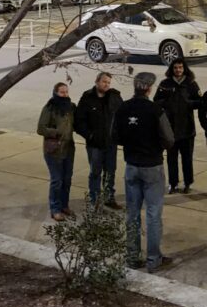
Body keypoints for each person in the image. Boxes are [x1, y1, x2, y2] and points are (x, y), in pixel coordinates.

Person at [113, 71, 175, 272]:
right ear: (149, 88)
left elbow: (115, 136)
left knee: (132, 212)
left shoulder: (123, 108)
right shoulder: (155, 110)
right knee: (153, 213)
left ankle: (132, 256)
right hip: (152, 166)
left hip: (132, 165)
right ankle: (153, 258)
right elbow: (169, 139)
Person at [74, 71, 124, 209]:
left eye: (108, 82)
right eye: (104, 82)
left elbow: (122, 116)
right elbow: (79, 121)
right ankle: (94, 200)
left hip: (110, 143)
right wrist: (89, 135)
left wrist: (118, 136)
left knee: (110, 172)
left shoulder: (115, 96)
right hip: (94, 144)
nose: (106, 84)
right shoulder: (87, 97)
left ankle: (109, 198)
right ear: (97, 82)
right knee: (95, 172)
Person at [154, 58, 202, 193]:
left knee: (187, 158)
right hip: (171, 129)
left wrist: (188, 103)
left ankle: (188, 183)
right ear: (171, 69)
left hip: (187, 129)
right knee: (171, 159)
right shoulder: (165, 84)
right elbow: (156, 101)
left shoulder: (191, 84)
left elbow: (200, 102)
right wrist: (167, 103)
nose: (178, 70)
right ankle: (173, 183)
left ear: (184, 68)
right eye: (175, 68)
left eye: (180, 67)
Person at [37, 82, 76, 222]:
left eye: (66, 92)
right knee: (57, 180)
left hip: (68, 148)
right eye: (62, 92)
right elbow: (41, 128)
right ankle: (55, 209)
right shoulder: (50, 107)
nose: (65, 95)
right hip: (54, 150)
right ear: (55, 93)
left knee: (67, 179)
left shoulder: (71, 107)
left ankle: (64, 205)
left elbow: (76, 124)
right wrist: (57, 132)